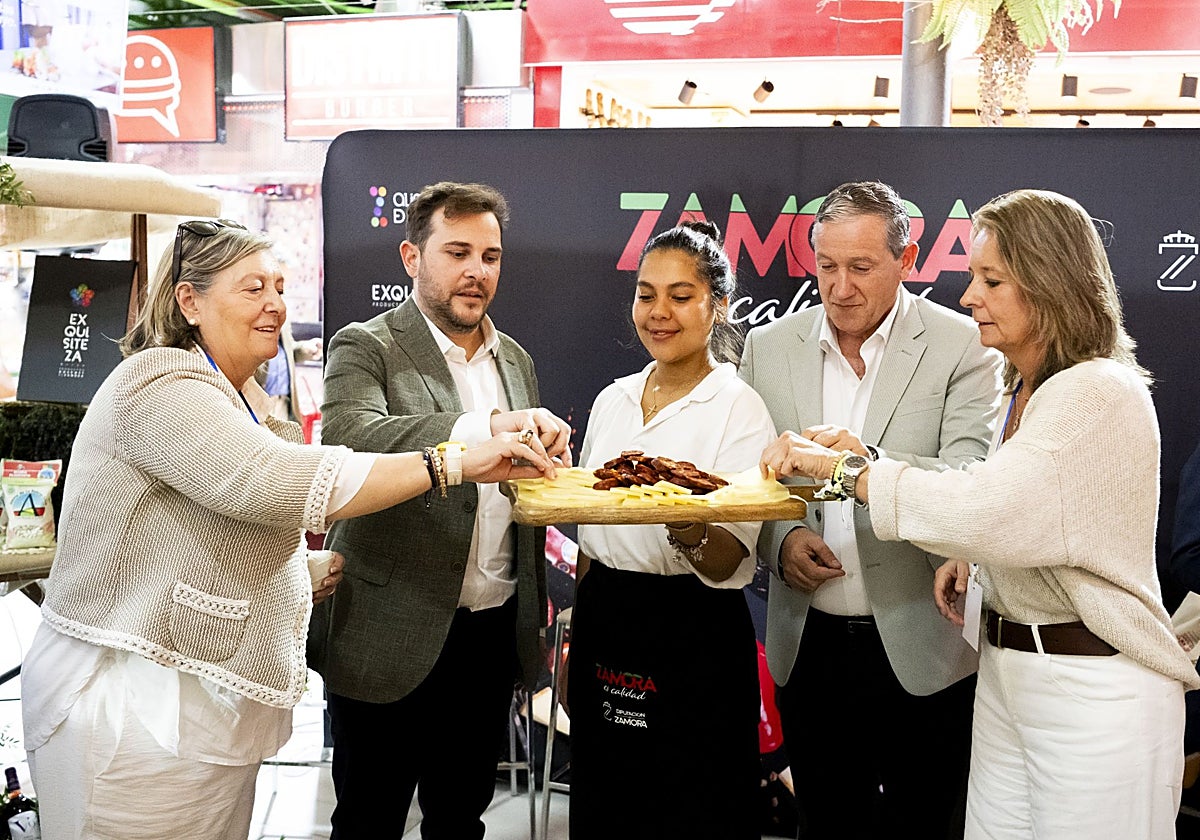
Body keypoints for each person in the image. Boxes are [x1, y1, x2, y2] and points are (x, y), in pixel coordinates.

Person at [18, 219, 557, 840]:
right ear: (189, 300)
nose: (275, 304)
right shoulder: (159, 383)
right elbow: (272, 482)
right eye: (253, 289)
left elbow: (199, 524)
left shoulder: (240, 394)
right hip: (128, 704)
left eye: (279, 286)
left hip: (196, 706)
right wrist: (454, 461)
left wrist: (296, 570)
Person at [761, 188, 1200, 840]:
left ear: (1049, 286)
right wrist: (976, 559)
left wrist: (850, 472)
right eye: (975, 277)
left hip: (1093, 696)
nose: (969, 296)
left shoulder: (1097, 390)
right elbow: (1030, 513)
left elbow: (990, 507)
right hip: (1008, 677)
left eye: (991, 280)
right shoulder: (1032, 389)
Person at [739, 180, 1003, 839]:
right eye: (827, 266)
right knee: (827, 824)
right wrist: (781, 541)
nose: (841, 286)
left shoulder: (963, 346)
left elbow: (973, 479)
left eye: (861, 267)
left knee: (924, 822)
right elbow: (750, 479)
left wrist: (866, 466)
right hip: (809, 643)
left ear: (907, 260)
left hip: (924, 638)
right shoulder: (768, 348)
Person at [309, 181, 572, 839]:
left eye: (490, 256)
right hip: (384, 629)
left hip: (487, 638)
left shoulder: (515, 359)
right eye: (457, 252)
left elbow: (514, 491)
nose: (477, 271)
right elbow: (351, 439)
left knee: (460, 819)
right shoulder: (364, 345)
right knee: (368, 821)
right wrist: (486, 425)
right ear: (411, 256)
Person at [567, 220, 776, 839]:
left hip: (693, 631)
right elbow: (587, 530)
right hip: (606, 617)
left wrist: (684, 525)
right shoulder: (614, 400)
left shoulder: (739, 408)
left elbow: (730, 562)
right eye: (646, 293)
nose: (659, 312)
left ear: (718, 306)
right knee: (607, 805)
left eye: (681, 297)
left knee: (692, 809)